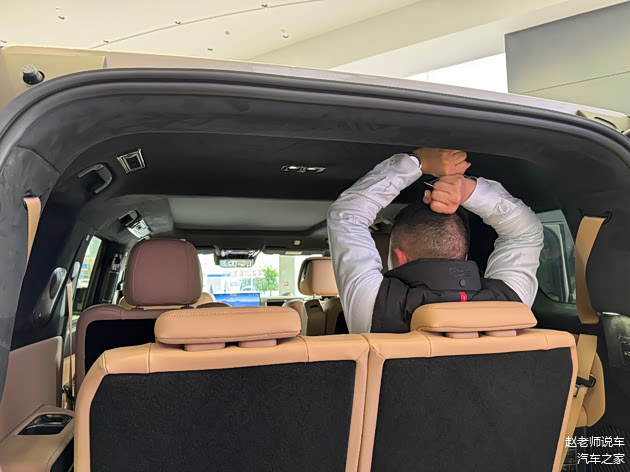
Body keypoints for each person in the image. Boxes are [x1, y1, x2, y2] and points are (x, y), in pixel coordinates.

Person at [327, 148, 544, 333]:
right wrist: (465, 189)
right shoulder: (510, 304)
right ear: (464, 257)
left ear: (399, 257)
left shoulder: (376, 304)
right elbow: (526, 232)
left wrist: (421, 162)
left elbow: (348, 215)